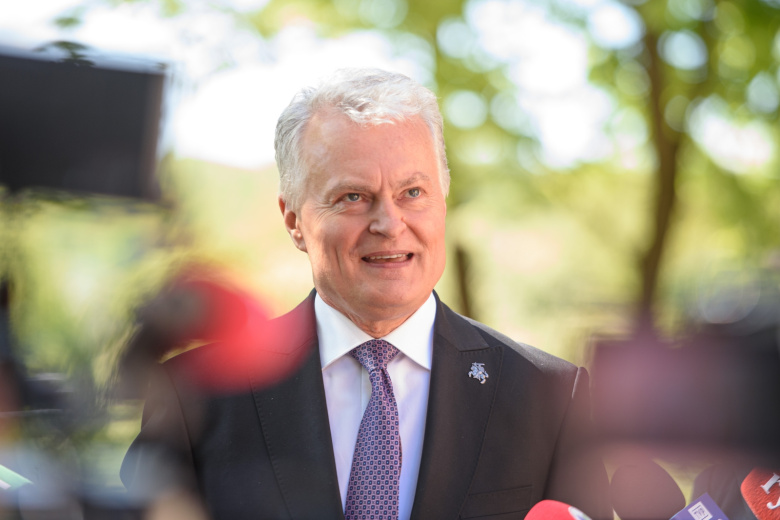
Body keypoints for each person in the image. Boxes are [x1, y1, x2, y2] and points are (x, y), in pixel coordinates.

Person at [121, 68, 611, 520]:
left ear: (443, 200)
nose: (389, 224)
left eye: (412, 192)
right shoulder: (195, 394)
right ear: (293, 220)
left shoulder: (550, 396)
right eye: (353, 197)